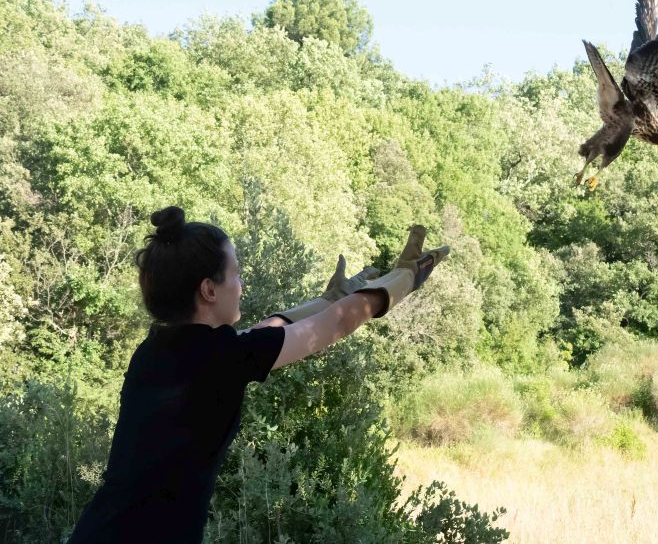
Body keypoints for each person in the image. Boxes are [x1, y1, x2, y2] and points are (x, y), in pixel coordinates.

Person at [67, 206, 448, 543]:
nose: (242, 284)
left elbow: (265, 332)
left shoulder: (157, 350)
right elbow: (335, 325)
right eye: (235, 275)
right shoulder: (223, 359)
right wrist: (402, 281)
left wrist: (326, 299)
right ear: (208, 290)